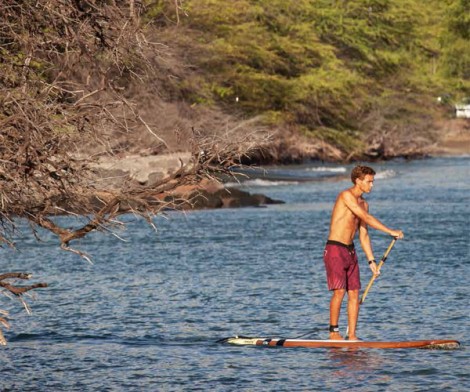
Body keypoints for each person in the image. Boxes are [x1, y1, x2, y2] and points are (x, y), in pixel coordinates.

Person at [323, 165, 404, 341]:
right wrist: (389, 231)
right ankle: (333, 332)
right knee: (340, 291)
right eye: (369, 182)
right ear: (358, 181)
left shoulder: (364, 204)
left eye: (373, 182)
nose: (372, 185)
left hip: (351, 252)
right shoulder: (346, 196)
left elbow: (364, 233)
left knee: (354, 293)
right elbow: (366, 217)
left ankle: (352, 335)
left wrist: (371, 261)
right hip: (335, 249)